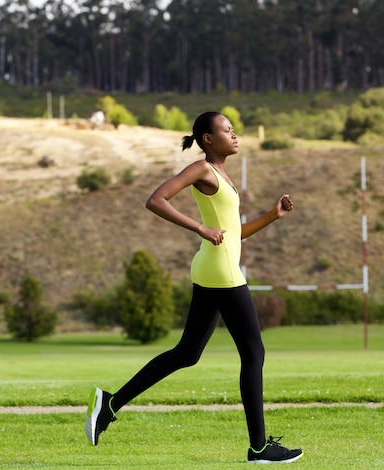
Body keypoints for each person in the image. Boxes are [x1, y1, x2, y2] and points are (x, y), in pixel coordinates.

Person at [85, 111, 303, 464]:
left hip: (211, 267)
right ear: (207, 139)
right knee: (253, 353)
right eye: (226, 131)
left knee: (187, 353)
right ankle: (259, 447)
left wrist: (271, 216)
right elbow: (156, 199)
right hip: (221, 271)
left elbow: (233, 232)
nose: (235, 135)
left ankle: (109, 405)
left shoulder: (221, 176)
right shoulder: (202, 170)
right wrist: (199, 229)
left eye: (234, 130)